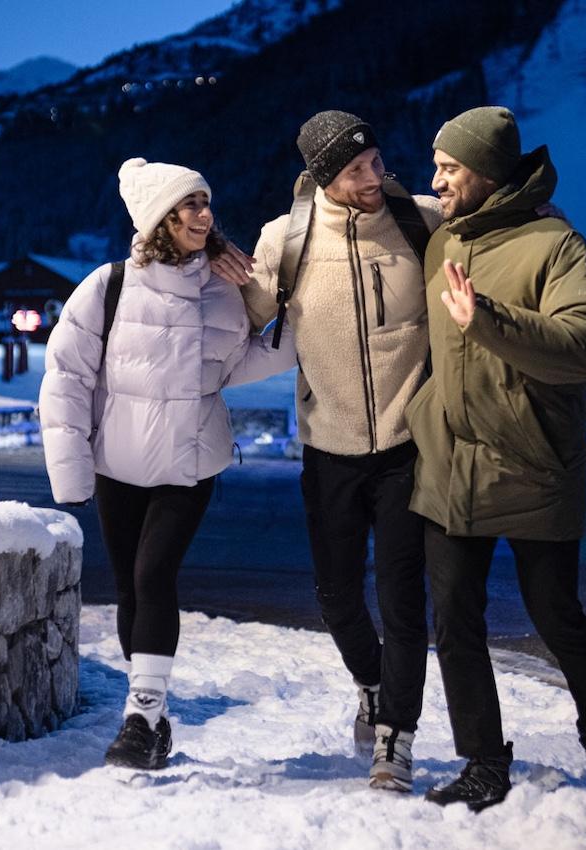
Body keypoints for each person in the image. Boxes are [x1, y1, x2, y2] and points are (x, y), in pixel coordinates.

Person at [404, 107, 586, 810]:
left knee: (556, 614)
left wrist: (492, 320)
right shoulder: (440, 240)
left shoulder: (555, 244)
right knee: (453, 620)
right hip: (449, 465)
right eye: (435, 166)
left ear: (489, 173)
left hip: (532, 461)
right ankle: (483, 763)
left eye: (450, 168)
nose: (437, 180)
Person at [39, 158, 294, 770]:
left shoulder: (223, 290)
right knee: (131, 589)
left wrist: (299, 333)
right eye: (191, 206)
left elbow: (235, 364)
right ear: (160, 218)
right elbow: (66, 378)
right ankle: (151, 716)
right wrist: (70, 470)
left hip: (189, 465)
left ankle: (142, 718)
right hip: (117, 465)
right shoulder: (109, 286)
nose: (205, 216)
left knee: (154, 578)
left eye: (208, 204)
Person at [222, 111, 442, 792]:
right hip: (329, 449)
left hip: (410, 447)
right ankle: (372, 685)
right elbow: (236, 318)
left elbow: (495, 230)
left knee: (403, 601)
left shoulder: (421, 221)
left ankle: (396, 738)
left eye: (376, 160)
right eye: (355, 170)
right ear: (323, 177)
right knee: (337, 597)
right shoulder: (286, 240)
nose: (374, 177)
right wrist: (196, 261)